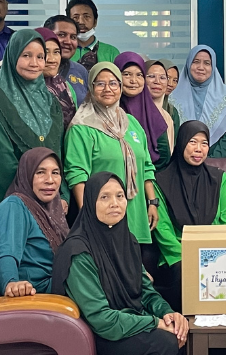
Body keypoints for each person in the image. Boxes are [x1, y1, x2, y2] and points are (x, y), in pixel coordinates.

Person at [52, 172, 188, 355]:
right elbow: (101, 319)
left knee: (176, 329)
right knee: (161, 342)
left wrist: (166, 313)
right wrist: (154, 323)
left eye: (119, 196)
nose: (115, 203)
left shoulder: (127, 240)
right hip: (95, 334)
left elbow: (145, 290)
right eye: (104, 197)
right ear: (90, 202)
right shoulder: (79, 251)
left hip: (123, 320)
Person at [64, 62, 178, 284]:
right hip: (104, 215)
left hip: (135, 212)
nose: (108, 89)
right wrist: (89, 216)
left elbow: (146, 166)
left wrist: (152, 202)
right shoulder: (82, 127)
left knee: (138, 279)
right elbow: (77, 175)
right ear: (91, 88)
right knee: (111, 279)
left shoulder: (130, 122)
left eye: (113, 83)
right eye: (100, 83)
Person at [151, 120, 226, 310]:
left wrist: (212, 255)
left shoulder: (218, 178)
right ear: (181, 143)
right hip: (177, 255)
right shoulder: (160, 181)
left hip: (213, 251)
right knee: (186, 274)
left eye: (204, 143)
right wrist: (188, 257)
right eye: (192, 142)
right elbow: (163, 228)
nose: (198, 149)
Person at [0, 29, 63, 216]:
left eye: (40, 57)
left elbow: (58, 152)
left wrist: (62, 194)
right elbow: (1, 163)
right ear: (12, 56)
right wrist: (35, 198)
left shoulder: (51, 101)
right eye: (26, 55)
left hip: (51, 201)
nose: (34, 63)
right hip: (11, 203)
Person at [0, 147, 67, 296]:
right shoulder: (14, 205)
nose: (50, 180)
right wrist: (10, 283)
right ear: (27, 174)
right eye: (40, 172)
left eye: (55, 173)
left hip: (62, 283)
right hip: (38, 292)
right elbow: (6, 252)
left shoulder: (52, 207)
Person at [175, 45, 226, 158]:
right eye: (196, 62)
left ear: (213, 67)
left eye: (207, 63)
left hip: (216, 163)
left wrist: (213, 159)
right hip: (181, 161)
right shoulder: (174, 96)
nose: (201, 67)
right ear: (188, 64)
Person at [116, 51, 173, 165]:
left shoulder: (153, 114)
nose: (133, 80)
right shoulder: (107, 111)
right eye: (127, 74)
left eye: (139, 75)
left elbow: (163, 157)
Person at [39, 27, 78, 130]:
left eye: (56, 52)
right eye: (45, 52)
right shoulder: (20, 88)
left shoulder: (64, 86)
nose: (52, 59)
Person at [43, 14, 89, 101]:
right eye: (61, 35)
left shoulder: (80, 71)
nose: (68, 41)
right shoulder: (34, 69)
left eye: (73, 37)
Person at [144, 59, 182, 161]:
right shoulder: (134, 112)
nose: (170, 84)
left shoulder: (170, 113)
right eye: (151, 76)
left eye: (162, 77)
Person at [68, 0, 120, 68]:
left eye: (86, 16)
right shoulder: (64, 50)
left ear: (95, 22)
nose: (81, 22)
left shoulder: (111, 52)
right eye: (75, 17)